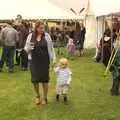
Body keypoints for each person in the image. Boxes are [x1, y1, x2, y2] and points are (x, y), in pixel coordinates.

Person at [24, 21, 56, 105]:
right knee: (35, 80)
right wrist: (28, 48)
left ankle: (45, 98)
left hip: (45, 61)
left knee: (45, 80)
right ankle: (37, 96)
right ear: (36, 28)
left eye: (43, 28)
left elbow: (51, 48)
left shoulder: (47, 36)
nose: (43, 30)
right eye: (41, 28)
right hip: (34, 61)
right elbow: (26, 48)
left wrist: (53, 60)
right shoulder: (31, 36)